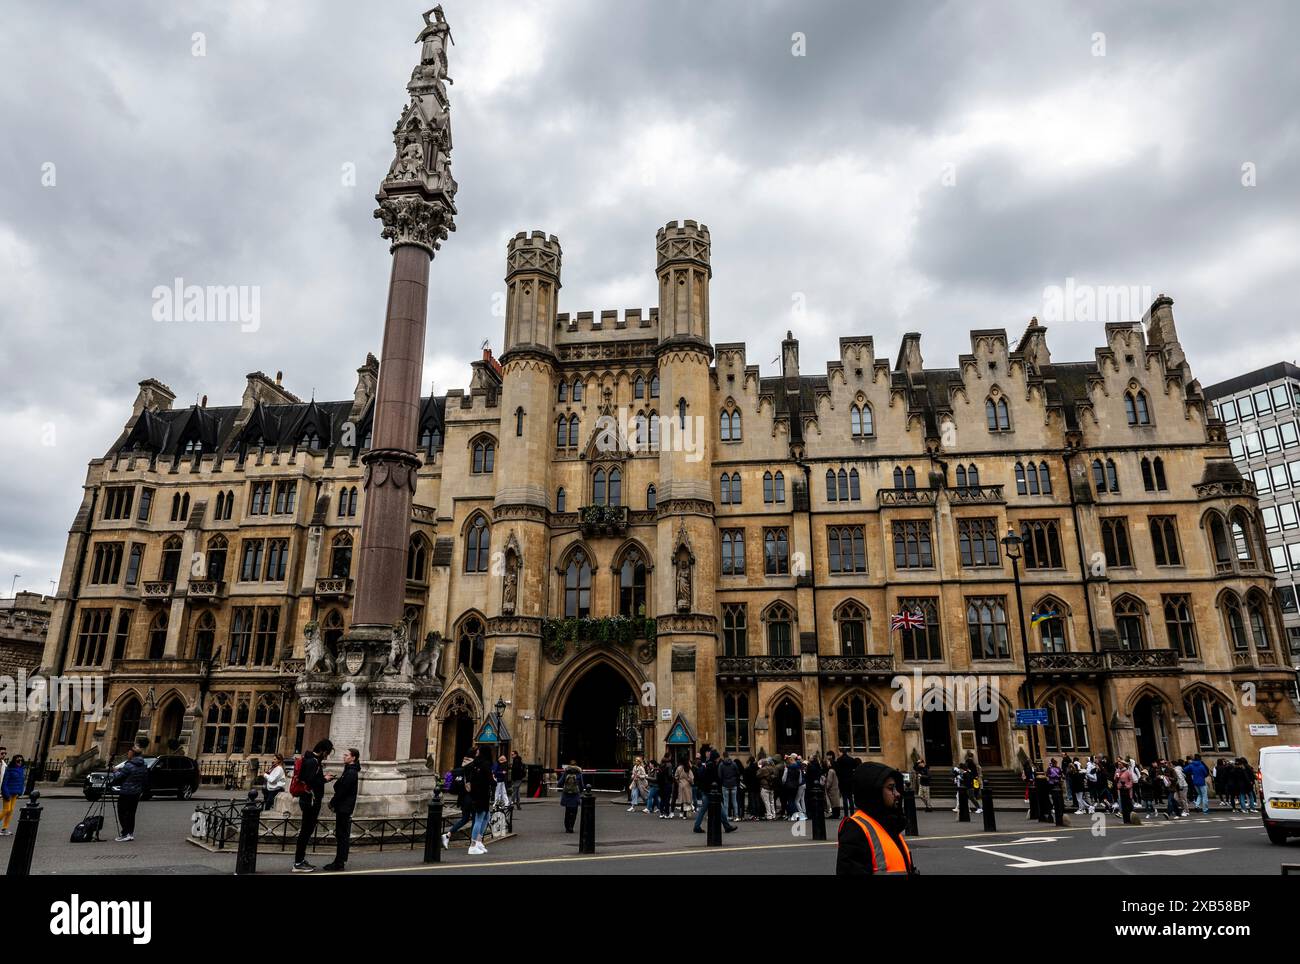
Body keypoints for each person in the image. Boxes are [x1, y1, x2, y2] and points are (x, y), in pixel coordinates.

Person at [836, 762, 916, 876]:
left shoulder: (888, 823)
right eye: (891, 788)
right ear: (874, 791)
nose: (897, 794)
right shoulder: (855, 829)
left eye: (896, 788)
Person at [292, 739, 334, 872]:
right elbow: (309, 781)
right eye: (326, 753)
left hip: (309, 800)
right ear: (322, 751)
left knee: (306, 831)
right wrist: (324, 779)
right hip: (310, 801)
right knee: (305, 831)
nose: (326, 756)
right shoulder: (313, 762)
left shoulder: (311, 760)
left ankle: (300, 860)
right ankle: (298, 863)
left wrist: (322, 778)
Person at [322, 748, 360, 872]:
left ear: (353, 758)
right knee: (341, 835)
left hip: (344, 808)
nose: (344, 756)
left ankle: (339, 863)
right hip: (343, 807)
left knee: (342, 835)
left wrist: (333, 802)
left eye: (346, 755)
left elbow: (342, 790)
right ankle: (339, 861)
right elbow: (340, 786)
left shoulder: (351, 772)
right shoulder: (348, 770)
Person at [693, 749, 737, 834]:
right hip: (711, 791)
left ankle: (697, 826)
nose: (718, 760)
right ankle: (727, 826)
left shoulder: (706, 764)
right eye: (717, 758)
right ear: (715, 758)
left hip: (706, 790)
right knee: (719, 808)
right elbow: (715, 779)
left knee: (704, 810)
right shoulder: (712, 766)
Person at [111, 748, 150, 843]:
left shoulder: (129, 765)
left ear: (132, 754)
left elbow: (119, 777)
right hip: (136, 792)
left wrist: (115, 771)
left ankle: (125, 833)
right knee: (131, 814)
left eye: (128, 753)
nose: (127, 754)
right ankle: (130, 833)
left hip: (126, 792)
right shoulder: (143, 764)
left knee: (122, 813)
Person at [441, 754, 476, 848]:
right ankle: (473, 842)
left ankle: (448, 835)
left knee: (465, 818)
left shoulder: (456, 771)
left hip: (462, 799)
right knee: (475, 819)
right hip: (471, 798)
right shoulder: (471, 771)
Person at [467, 748, 493, 854]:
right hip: (481, 794)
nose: (476, 753)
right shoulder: (484, 764)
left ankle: (478, 841)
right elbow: (489, 779)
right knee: (479, 818)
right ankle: (472, 846)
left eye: (478, 751)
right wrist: (493, 780)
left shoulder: (475, 764)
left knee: (486, 816)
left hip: (480, 794)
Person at [0, 752, 25, 835]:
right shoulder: (9, 769)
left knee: (10, 811)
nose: (20, 762)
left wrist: (20, 792)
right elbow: (4, 782)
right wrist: (5, 793)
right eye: (18, 761)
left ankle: (4, 828)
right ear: (14, 761)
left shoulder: (21, 770)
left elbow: (21, 782)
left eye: (21, 760)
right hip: (8, 792)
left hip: (15, 793)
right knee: (6, 809)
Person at [560, 759, 584, 832]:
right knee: (574, 812)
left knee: (567, 812)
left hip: (566, 795)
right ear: (576, 765)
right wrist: (580, 791)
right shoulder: (579, 774)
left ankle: (567, 827)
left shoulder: (566, 773)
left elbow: (559, 783)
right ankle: (571, 827)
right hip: (575, 795)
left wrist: (564, 786)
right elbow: (582, 786)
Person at [718, 752, 741, 821]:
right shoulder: (734, 764)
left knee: (726, 802)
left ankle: (726, 816)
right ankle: (736, 816)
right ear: (728, 755)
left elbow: (719, 775)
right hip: (733, 783)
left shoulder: (721, 764)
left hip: (725, 784)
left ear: (723, 756)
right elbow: (738, 773)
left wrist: (723, 780)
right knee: (734, 801)